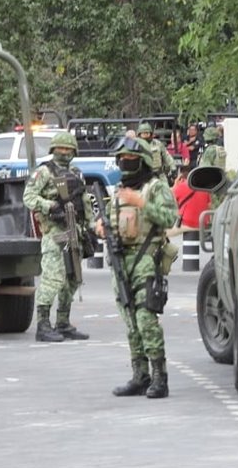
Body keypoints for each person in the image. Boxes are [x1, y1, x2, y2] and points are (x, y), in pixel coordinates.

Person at [97, 137, 177, 398]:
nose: (125, 164)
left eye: (131, 160)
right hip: (121, 261)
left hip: (147, 258)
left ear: (142, 162)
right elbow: (109, 220)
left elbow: (169, 217)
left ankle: (159, 377)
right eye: (122, 160)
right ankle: (140, 375)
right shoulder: (120, 190)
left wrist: (141, 202)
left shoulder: (155, 187)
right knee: (130, 320)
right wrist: (99, 228)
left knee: (145, 319)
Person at [23, 131, 95, 342]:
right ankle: (43, 325)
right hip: (55, 231)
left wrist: (91, 226)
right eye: (60, 149)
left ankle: (63, 322)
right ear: (53, 150)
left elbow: (85, 201)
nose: (64, 153)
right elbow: (28, 197)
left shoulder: (76, 172)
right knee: (53, 278)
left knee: (72, 279)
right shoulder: (44, 172)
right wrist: (49, 206)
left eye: (68, 149)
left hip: (75, 230)